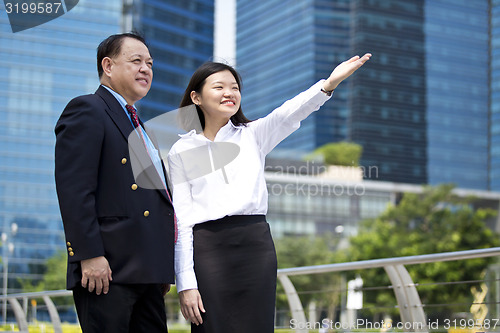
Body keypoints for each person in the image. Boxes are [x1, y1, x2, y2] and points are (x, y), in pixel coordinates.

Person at [167, 53, 371, 333]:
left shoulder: (253, 134)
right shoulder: (181, 150)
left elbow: (289, 112)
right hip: (208, 250)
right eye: (219, 87)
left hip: (255, 245)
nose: (229, 93)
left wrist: (328, 84)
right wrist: (186, 283)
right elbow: (182, 220)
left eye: (235, 87)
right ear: (196, 97)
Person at [54, 32, 176, 333]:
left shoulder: (139, 126)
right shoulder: (88, 109)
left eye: (149, 63)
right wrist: (89, 254)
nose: (145, 68)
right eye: (136, 61)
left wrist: (160, 267)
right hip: (107, 270)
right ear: (108, 66)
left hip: (146, 273)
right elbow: (75, 189)